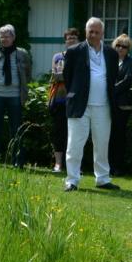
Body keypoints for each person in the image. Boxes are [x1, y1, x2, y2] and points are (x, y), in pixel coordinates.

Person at [62, 17, 120, 191]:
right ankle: (72, 180)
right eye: (90, 31)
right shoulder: (74, 51)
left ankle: (102, 178)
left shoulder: (111, 53)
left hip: (103, 106)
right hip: (80, 105)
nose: (93, 35)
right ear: (86, 32)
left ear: (102, 33)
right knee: (74, 144)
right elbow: (68, 77)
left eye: (96, 32)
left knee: (102, 144)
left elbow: (113, 77)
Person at [0, 24, 32, 168]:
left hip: (15, 96)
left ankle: (18, 161)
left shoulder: (22, 53)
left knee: (16, 128)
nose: (4, 39)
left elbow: (28, 73)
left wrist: (21, 86)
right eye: (2, 36)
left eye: (7, 36)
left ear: (13, 37)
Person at [47, 27, 81, 173]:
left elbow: (81, 77)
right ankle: (58, 164)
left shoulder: (82, 56)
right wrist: (70, 75)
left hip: (77, 100)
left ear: (79, 40)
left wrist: (65, 75)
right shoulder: (58, 57)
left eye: (73, 38)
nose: (71, 41)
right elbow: (56, 76)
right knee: (59, 132)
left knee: (76, 135)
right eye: (68, 38)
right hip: (60, 100)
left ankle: (75, 166)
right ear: (65, 41)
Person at [109, 33, 132, 176]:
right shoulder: (109, 60)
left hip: (121, 105)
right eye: (118, 45)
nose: (120, 49)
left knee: (119, 136)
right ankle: (106, 166)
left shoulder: (131, 63)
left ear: (128, 49)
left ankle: (118, 167)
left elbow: (128, 80)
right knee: (107, 135)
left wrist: (112, 90)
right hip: (108, 103)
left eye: (124, 46)